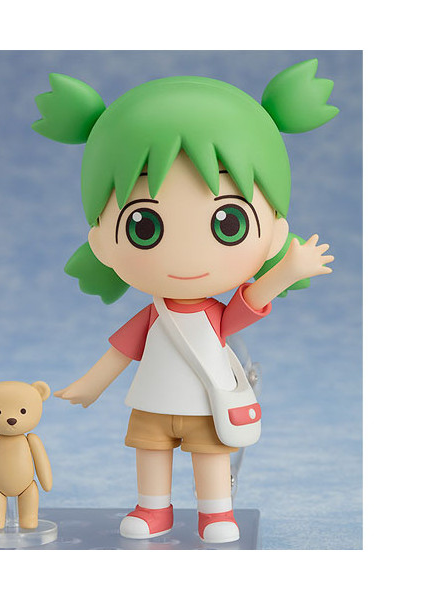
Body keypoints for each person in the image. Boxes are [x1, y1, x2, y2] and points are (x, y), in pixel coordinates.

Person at [32, 59, 337, 543]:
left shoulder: (213, 316)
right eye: (144, 226)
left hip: (206, 404)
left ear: (274, 232)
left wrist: (288, 272)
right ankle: (153, 510)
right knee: (150, 454)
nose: (188, 257)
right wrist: (90, 385)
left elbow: (249, 301)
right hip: (153, 401)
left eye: (228, 223)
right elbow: (121, 352)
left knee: (211, 456)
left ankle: (216, 513)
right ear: (102, 242)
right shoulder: (154, 316)